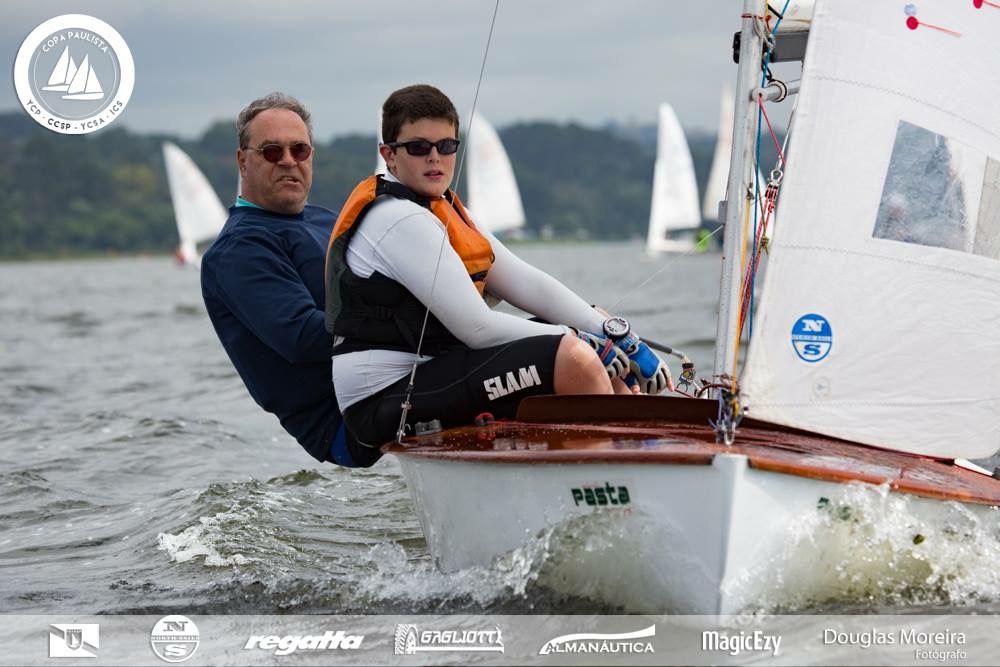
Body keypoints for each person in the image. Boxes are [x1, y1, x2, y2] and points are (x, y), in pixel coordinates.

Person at [325, 84, 672, 461]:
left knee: (597, 338)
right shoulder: (397, 218)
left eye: (446, 146)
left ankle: (634, 453)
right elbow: (477, 328)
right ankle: (608, 473)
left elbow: (528, 283)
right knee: (576, 357)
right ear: (389, 155)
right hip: (384, 400)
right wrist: (582, 343)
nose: (435, 158)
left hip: (436, 371)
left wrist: (614, 335)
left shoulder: (445, 210)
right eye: (419, 147)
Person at [201, 92, 363, 468]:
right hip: (346, 424)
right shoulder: (238, 249)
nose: (289, 160)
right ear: (243, 161)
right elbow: (304, 338)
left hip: (397, 378)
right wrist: (410, 319)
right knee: (510, 366)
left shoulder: (327, 219)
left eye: (299, 150)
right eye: (272, 151)